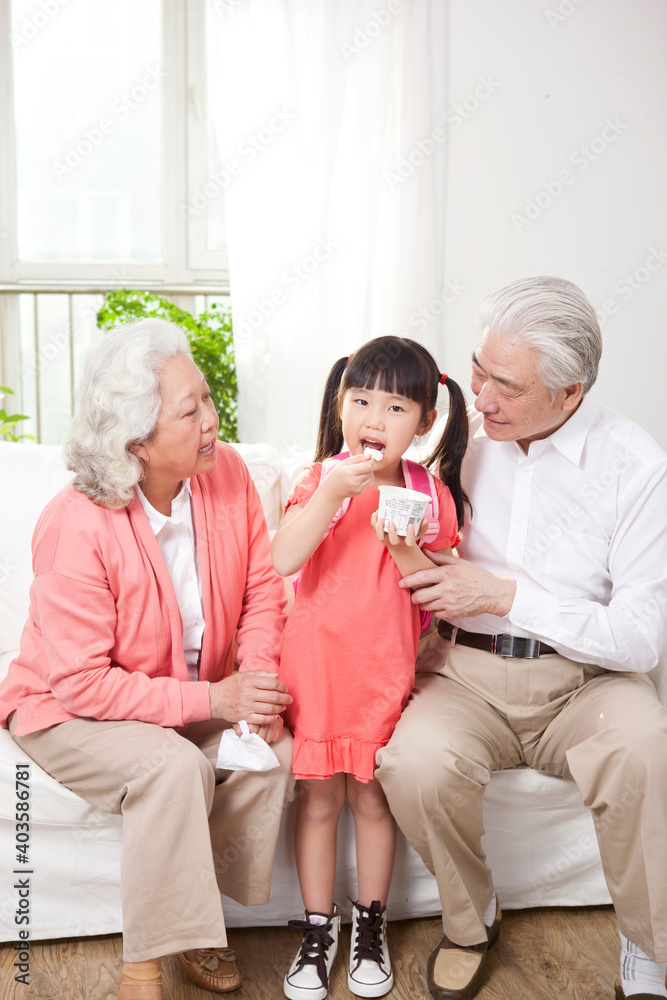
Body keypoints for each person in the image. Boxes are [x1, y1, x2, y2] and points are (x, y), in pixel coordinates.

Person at [375, 276, 667, 1000]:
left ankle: (648, 944)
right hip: (466, 674)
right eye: (476, 369)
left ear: (568, 394)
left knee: (644, 748)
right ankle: (471, 922)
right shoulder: (460, 436)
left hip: (586, 682)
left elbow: (639, 639)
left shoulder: (635, 467)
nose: (480, 397)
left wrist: (508, 596)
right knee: (412, 762)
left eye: (504, 385)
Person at [0, 318, 294, 1000]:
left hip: (183, 695)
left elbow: (259, 591)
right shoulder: (76, 523)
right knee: (173, 766)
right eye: (191, 411)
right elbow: (79, 682)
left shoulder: (226, 477)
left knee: (276, 749)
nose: (213, 421)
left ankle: (193, 917)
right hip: (65, 709)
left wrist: (252, 683)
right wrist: (212, 702)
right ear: (135, 439)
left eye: (209, 400)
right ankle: (145, 968)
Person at [271, 336, 469, 1000]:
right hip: (317, 673)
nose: (373, 420)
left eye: (394, 407)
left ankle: (370, 924)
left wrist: (406, 549)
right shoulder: (319, 477)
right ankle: (316, 928)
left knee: (372, 799)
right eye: (360, 401)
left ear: (423, 423)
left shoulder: (427, 493)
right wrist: (330, 495)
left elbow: (435, 595)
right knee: (320, 799)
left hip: (384, 675)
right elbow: (283, 559)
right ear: (340, 403)